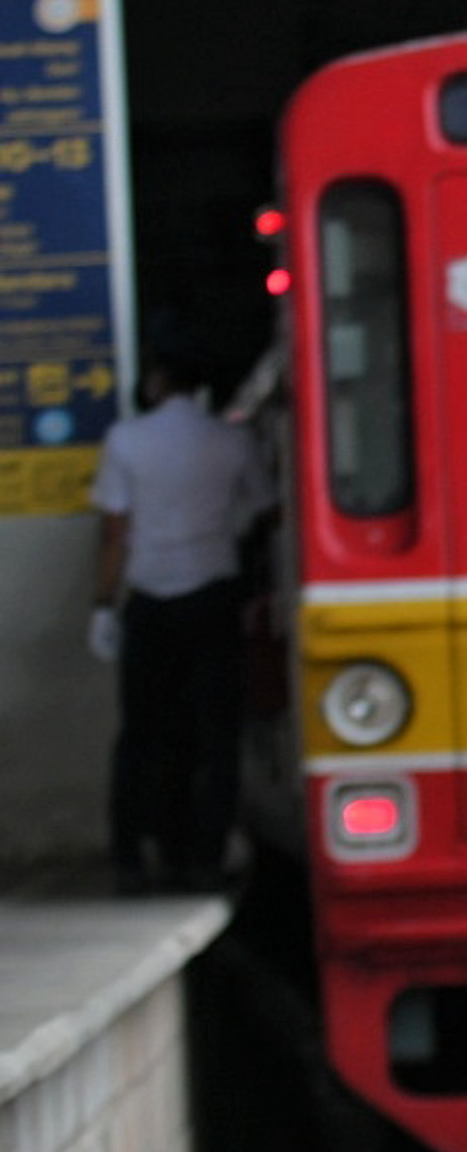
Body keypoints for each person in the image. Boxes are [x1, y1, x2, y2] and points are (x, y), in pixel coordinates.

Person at [90, 338, 273, 893]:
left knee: (142, 734)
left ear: (158, 381)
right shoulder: (231, 440)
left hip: (150, 603)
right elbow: (268, 509)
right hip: (213, 600)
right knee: (216, 735)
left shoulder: (126, 440)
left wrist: (103, 605)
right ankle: (206, 855)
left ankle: (131, 855)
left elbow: (116, 534)